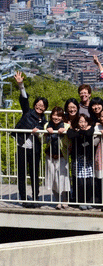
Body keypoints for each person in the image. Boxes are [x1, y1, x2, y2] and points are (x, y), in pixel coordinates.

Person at [14, 71, 47, 205]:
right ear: (34, 105)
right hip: (23, 146)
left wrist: (39, 132)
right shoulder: (27, 112)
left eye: (43, 106)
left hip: (35, 148)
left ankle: (35, 197)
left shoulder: (44, 120)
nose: (40, 107)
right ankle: (23, 198)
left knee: (34, 174)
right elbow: (24, 100)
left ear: (45, 108)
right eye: (38, 105)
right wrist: (21, 85)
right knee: (22, 173)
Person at [43, 106, 71, 209]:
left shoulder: (66, 126)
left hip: (62, 156)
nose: (56, 117)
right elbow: (42, 141)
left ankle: (64, 200)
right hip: (50, 156)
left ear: (62, 117)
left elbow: (69, 143)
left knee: (63, 178)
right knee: (53, 179)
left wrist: (64, 133)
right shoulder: (47, 125)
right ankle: (57, 200)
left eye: (59, 115)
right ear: (51, 116)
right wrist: (46, 133)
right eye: (54, 115)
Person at [67, 114, 95, 208]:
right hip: (78, 159)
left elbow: (89, 133)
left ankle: (88, 200)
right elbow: (70, 134)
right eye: (81, 121)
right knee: (79, 182)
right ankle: (81, 201)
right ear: (77, 123)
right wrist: (80, 132)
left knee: (89, 182)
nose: (83, 124)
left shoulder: (90, 129)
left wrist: (81, 132)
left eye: (85, 121)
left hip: (88, 159)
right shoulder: (74, 131)